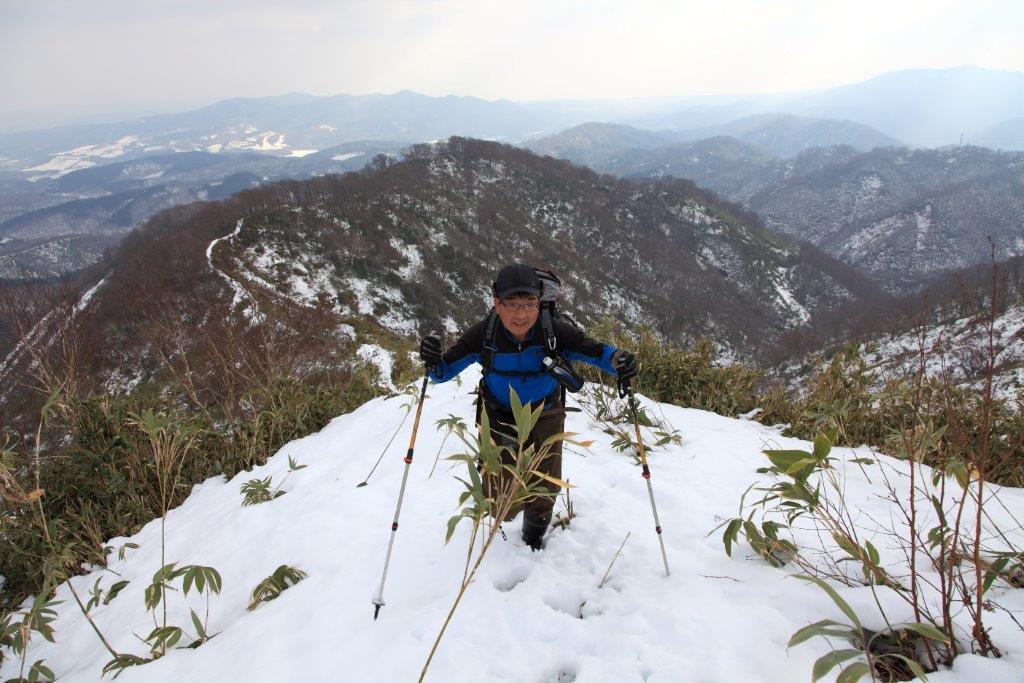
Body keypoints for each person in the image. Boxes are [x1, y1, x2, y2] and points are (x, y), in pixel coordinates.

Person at [419, 263, 637, 550]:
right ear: (497, 304)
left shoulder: (553, 332)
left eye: (529, 304)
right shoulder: (484, 335)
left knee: (545, 485)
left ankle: (532, 540)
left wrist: (618, 360)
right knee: (499, 493)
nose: (521, 314)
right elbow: (443, 372)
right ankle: (503, 526)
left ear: (539, 304)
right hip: (498, 416)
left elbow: (594, 351)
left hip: (545, 413)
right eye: (512, 304)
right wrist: (433, 360)